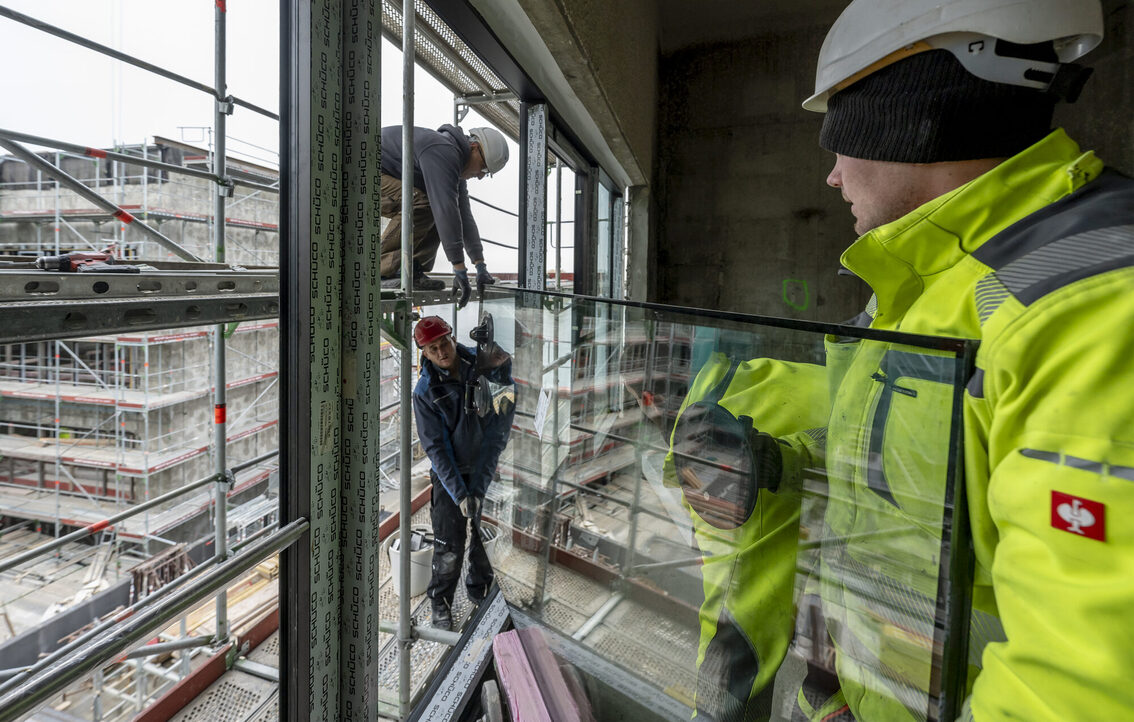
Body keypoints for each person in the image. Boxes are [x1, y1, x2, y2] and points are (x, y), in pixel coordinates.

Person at [669, 0, 1134, 719]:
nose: (831, 176)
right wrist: (776, 467)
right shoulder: (927, 292)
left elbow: (1076, 690)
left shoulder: (1092, 308)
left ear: (904, 116)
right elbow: (916, 491)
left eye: (837, 138)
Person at [412, 315, 515, 631]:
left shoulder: (482, 365)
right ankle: (440, 601)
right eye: (433, 349)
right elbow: (437, 449)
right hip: (450, 477)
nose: (442, 351)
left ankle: (479, 586)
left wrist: (480, 485)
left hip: (483, 466)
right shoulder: (426, 391)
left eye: (444, 342)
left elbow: (500, 423)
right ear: (425, 354)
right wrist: (460, 494)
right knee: (448, 547)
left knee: (483, 541)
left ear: (452, 337)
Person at [380, 124, 508, 305]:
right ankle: (381, 270)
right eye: (484, 168)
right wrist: (459, 268)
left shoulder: (455, 167)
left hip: (384, 175)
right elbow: (445, 210)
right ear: (474, 148)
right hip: (362, 169)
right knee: (426, 204)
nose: (480, 175)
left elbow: (463, 217)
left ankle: (412, 269)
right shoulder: (443, 151)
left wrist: (480, 266)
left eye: (486, 174)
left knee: (437, 208)